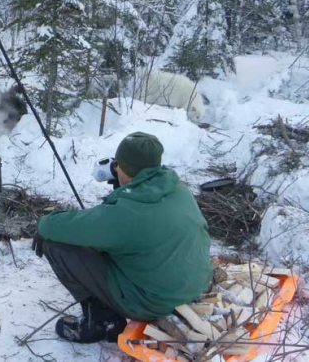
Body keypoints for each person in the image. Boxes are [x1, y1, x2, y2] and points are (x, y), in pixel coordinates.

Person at [32, 132, 212, 344]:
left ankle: (99, 321)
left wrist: (43, 226)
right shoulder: (179, 191)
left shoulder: (126, 213)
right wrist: (125, 188)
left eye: (119, 165)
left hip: (154, 303)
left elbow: (62, 227)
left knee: (55, 243)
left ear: (122, 167)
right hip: (193, 286)